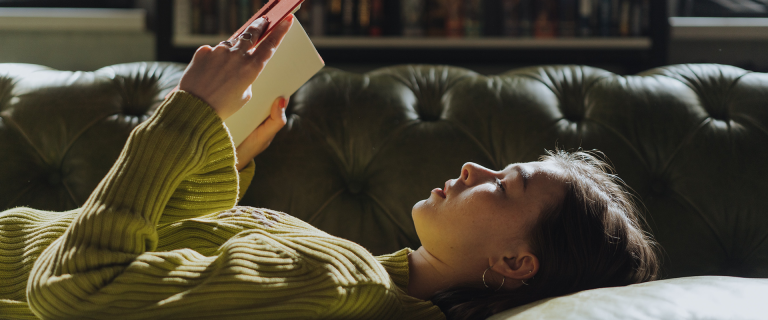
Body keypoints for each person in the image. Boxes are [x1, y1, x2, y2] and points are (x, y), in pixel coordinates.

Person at [0, 15, 659, 320]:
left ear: (516, 265)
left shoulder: (337, 282)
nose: (471, 168)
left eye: (504, 185)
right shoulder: (356, 271)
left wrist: (186, 113)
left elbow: (74, 290)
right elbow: (163, 261)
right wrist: (219, 158)